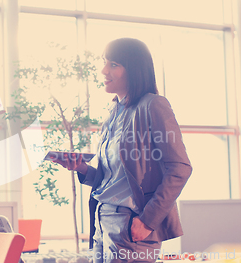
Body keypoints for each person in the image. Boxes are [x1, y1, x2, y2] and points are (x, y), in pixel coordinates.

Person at [51, 38, 192, 262]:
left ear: (135, 69)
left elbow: (180, 167)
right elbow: (114, 179)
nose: (104, 70)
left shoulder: (153, 105)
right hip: (102, 219)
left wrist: (148, 220)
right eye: (105, 62)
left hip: (130, 223)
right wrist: (81, 168)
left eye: (114, 64)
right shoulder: (113, 112)